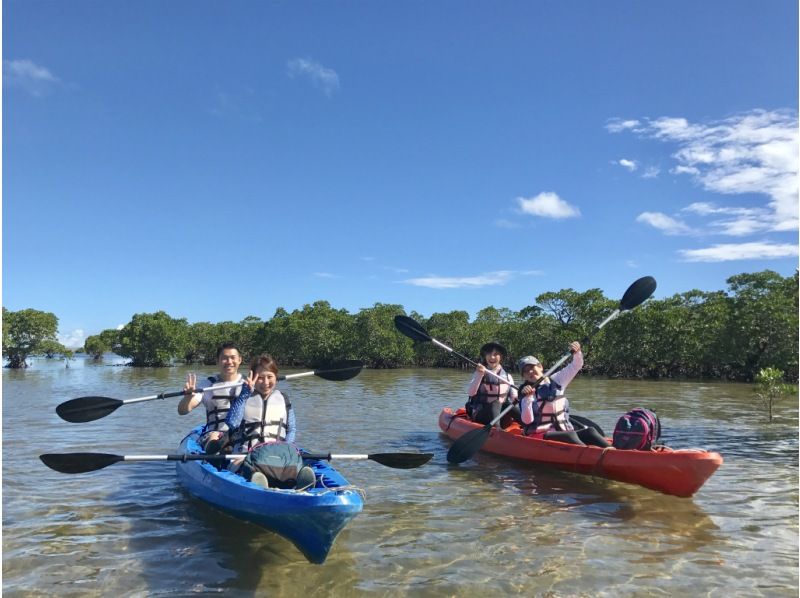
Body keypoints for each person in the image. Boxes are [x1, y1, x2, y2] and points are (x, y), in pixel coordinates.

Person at [225, 354, 313, 490]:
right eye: (260, 378)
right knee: (247, 467)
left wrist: (287, 449)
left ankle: (301, 479)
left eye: (269, 377)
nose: (265, 382)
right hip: (247, 456)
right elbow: (232, 423)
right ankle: (258, 481)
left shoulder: (284, 399)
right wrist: (244, 395)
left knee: (291, 462)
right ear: (252, 378)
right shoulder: (242, 397)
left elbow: (291, 429)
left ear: (276, 377)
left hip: (277, 456)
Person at [517, 342, 608, 447]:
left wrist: (577, 352)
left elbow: (576, 366)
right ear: (523, 376)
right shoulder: (525, 392)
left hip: (564, 429)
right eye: (526, 371)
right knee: (569, 436)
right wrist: (527, 398)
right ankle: (590, 454)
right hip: (541, 434)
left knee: (590, 432)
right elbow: (527, 421)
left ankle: (611, 451)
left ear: (540, 367)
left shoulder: (557, 380)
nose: (530, 372)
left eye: (532, 367)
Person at [178, 341, 246, 453]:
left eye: (233, 358)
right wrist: (188, 397)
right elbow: (183, 411)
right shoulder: (207, 385)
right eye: (224, 358)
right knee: (215, 436)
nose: (229, 362)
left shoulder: (249, 383)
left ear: (239, 360)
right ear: (217, 361)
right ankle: (213, 453)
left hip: (241, 434)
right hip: (215, 433)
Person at [466, 341, 519, 429]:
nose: (492, 357)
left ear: (501, 357)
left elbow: (515, 398)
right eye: (489, 354)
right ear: (485, 356)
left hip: (501, 416)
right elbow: (471, 393)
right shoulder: (479, 373)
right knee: (496, 403)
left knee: (508, 405)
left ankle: (529, 427)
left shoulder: (507, 376)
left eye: (496, 354)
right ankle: (497, 430)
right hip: (481, 415)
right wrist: (480, 374)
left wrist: (523, 396)